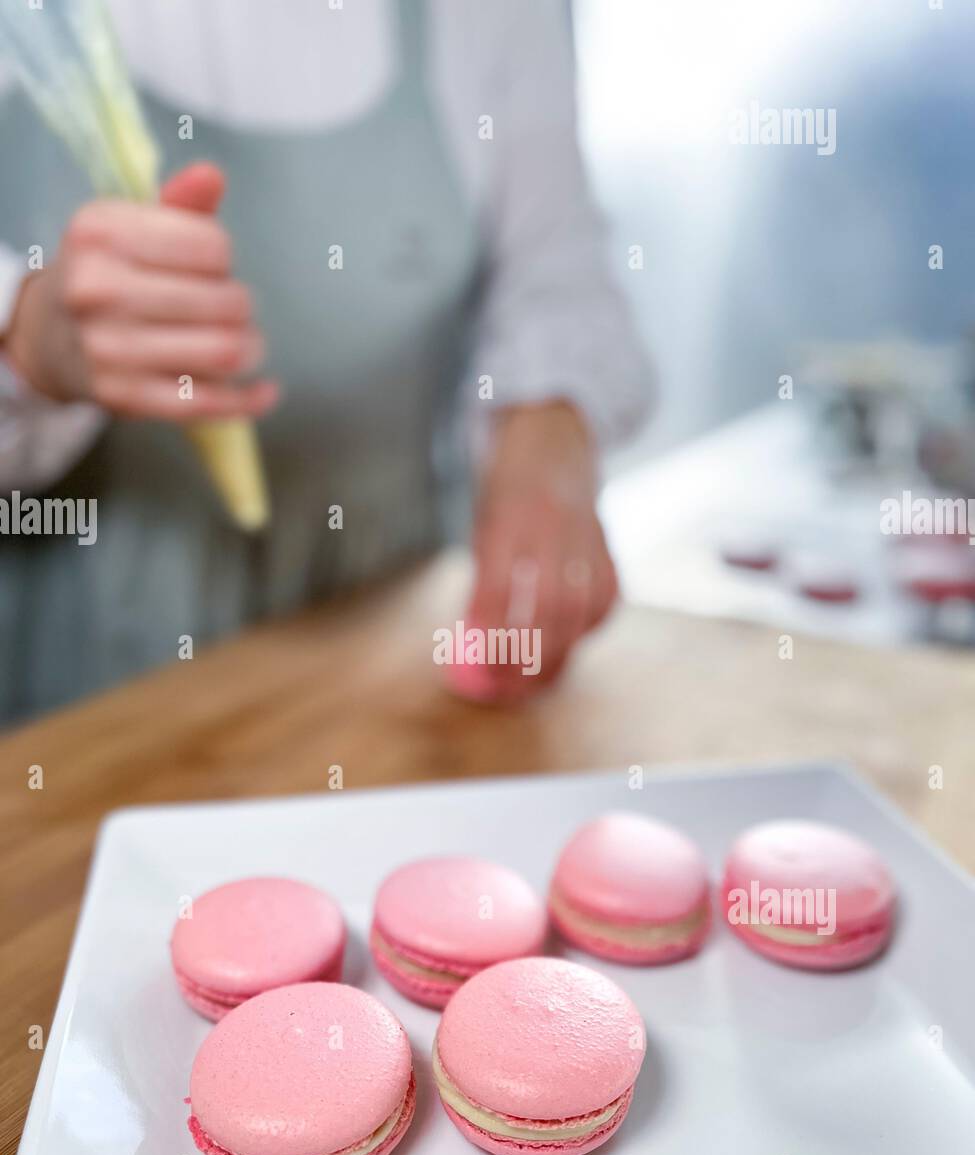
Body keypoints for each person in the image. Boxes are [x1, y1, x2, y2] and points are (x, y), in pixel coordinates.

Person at [0, 0, 651, 721]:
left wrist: (548, 430)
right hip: (66, 677)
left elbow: (549, 265)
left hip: (388, 639)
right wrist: (29, 341)